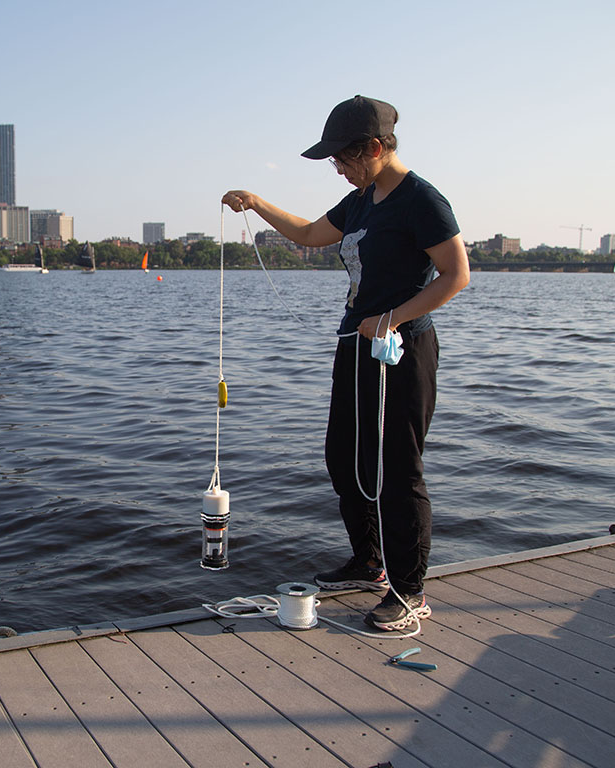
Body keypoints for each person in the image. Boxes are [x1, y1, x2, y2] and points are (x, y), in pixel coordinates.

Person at [222, 95, 469, 631]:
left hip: (401, 350)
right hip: (356, 344)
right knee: (345, 458)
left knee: (400, 470)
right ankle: (370, 563)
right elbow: (312, 235)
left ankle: (410, 594)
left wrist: (393, 318)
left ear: (374, 148)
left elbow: (456, 275)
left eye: (342, 157)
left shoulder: (422, 201)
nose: (336, 167)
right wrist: (258, 203)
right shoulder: (362, 199)